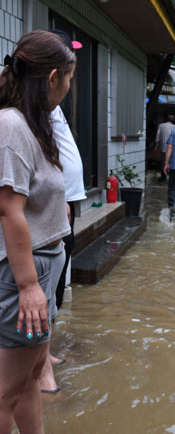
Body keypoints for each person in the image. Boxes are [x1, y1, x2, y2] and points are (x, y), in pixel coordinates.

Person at [0, 30, 76, 433]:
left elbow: (26, 194)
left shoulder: (33, 123)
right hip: (24, 276)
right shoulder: (11, 124)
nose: (68, 88)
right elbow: (9, 210)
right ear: (52, 78)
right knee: (5, 393)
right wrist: (29, 287)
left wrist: (52, 208)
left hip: (45, 264)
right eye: (68, 78)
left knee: (30, 378)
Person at [38, 30, 86, 394]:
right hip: (54, 204)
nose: (72, 82)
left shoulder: (49, 106)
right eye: (69, 74)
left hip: (66, 200)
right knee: (44, 283)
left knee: (56, 279)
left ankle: (44, 354)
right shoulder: (28, 109)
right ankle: (38, 368)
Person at [155, 114, 175, 181]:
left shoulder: (161, 125)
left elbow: (157, 135)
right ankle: (171, 177)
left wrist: (156, 145)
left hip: (163, 147)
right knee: (171, 161)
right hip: (172, 148)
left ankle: (163, 177)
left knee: (163, 161)